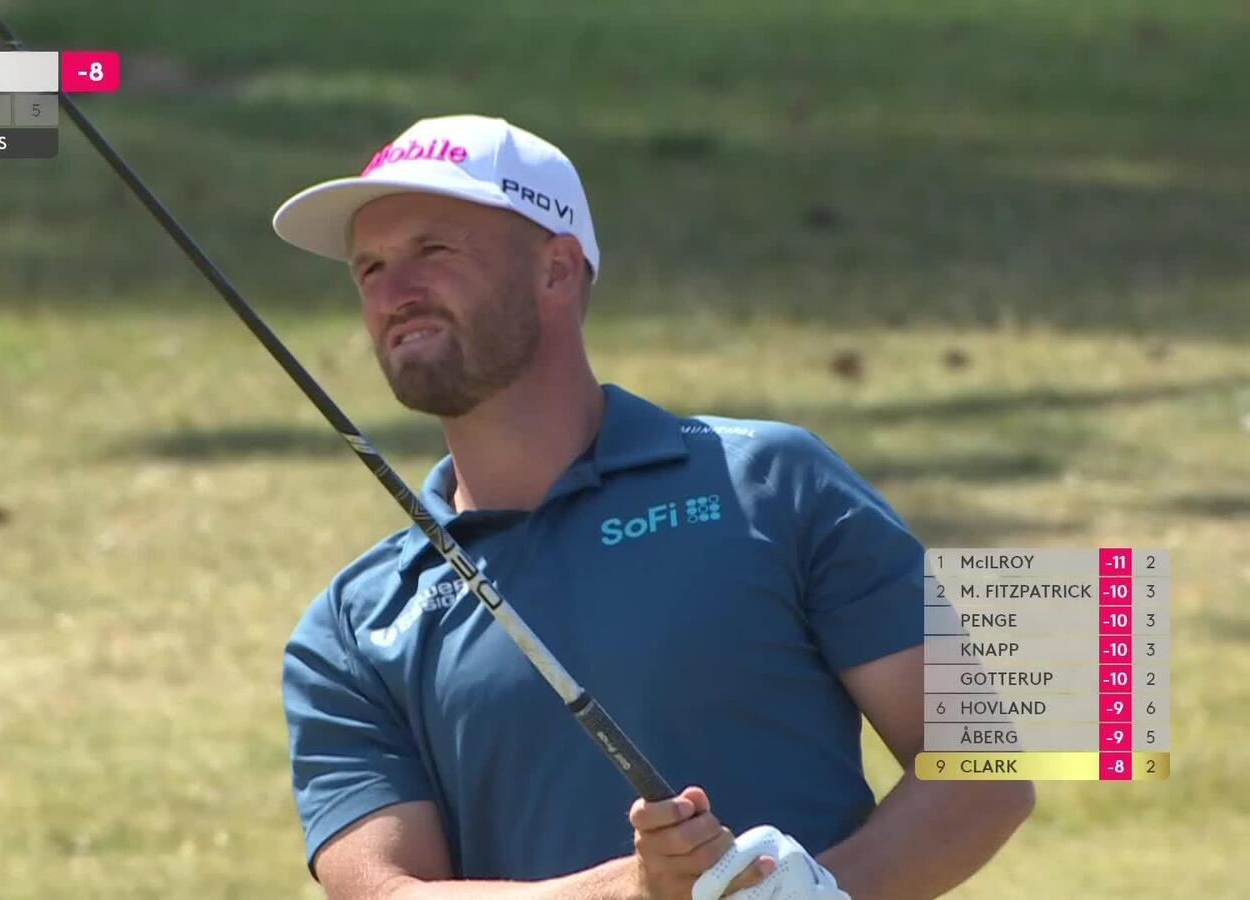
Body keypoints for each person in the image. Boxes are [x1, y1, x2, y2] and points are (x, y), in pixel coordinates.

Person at [272, 114, 1033, 899]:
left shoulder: (775, 480)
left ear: (557, 269)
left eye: (433, 250)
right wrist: (629, 891)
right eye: (369, 269)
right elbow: (382, 893)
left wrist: (821, 891)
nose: (395, 293)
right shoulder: (349, 627)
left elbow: (990, 767)